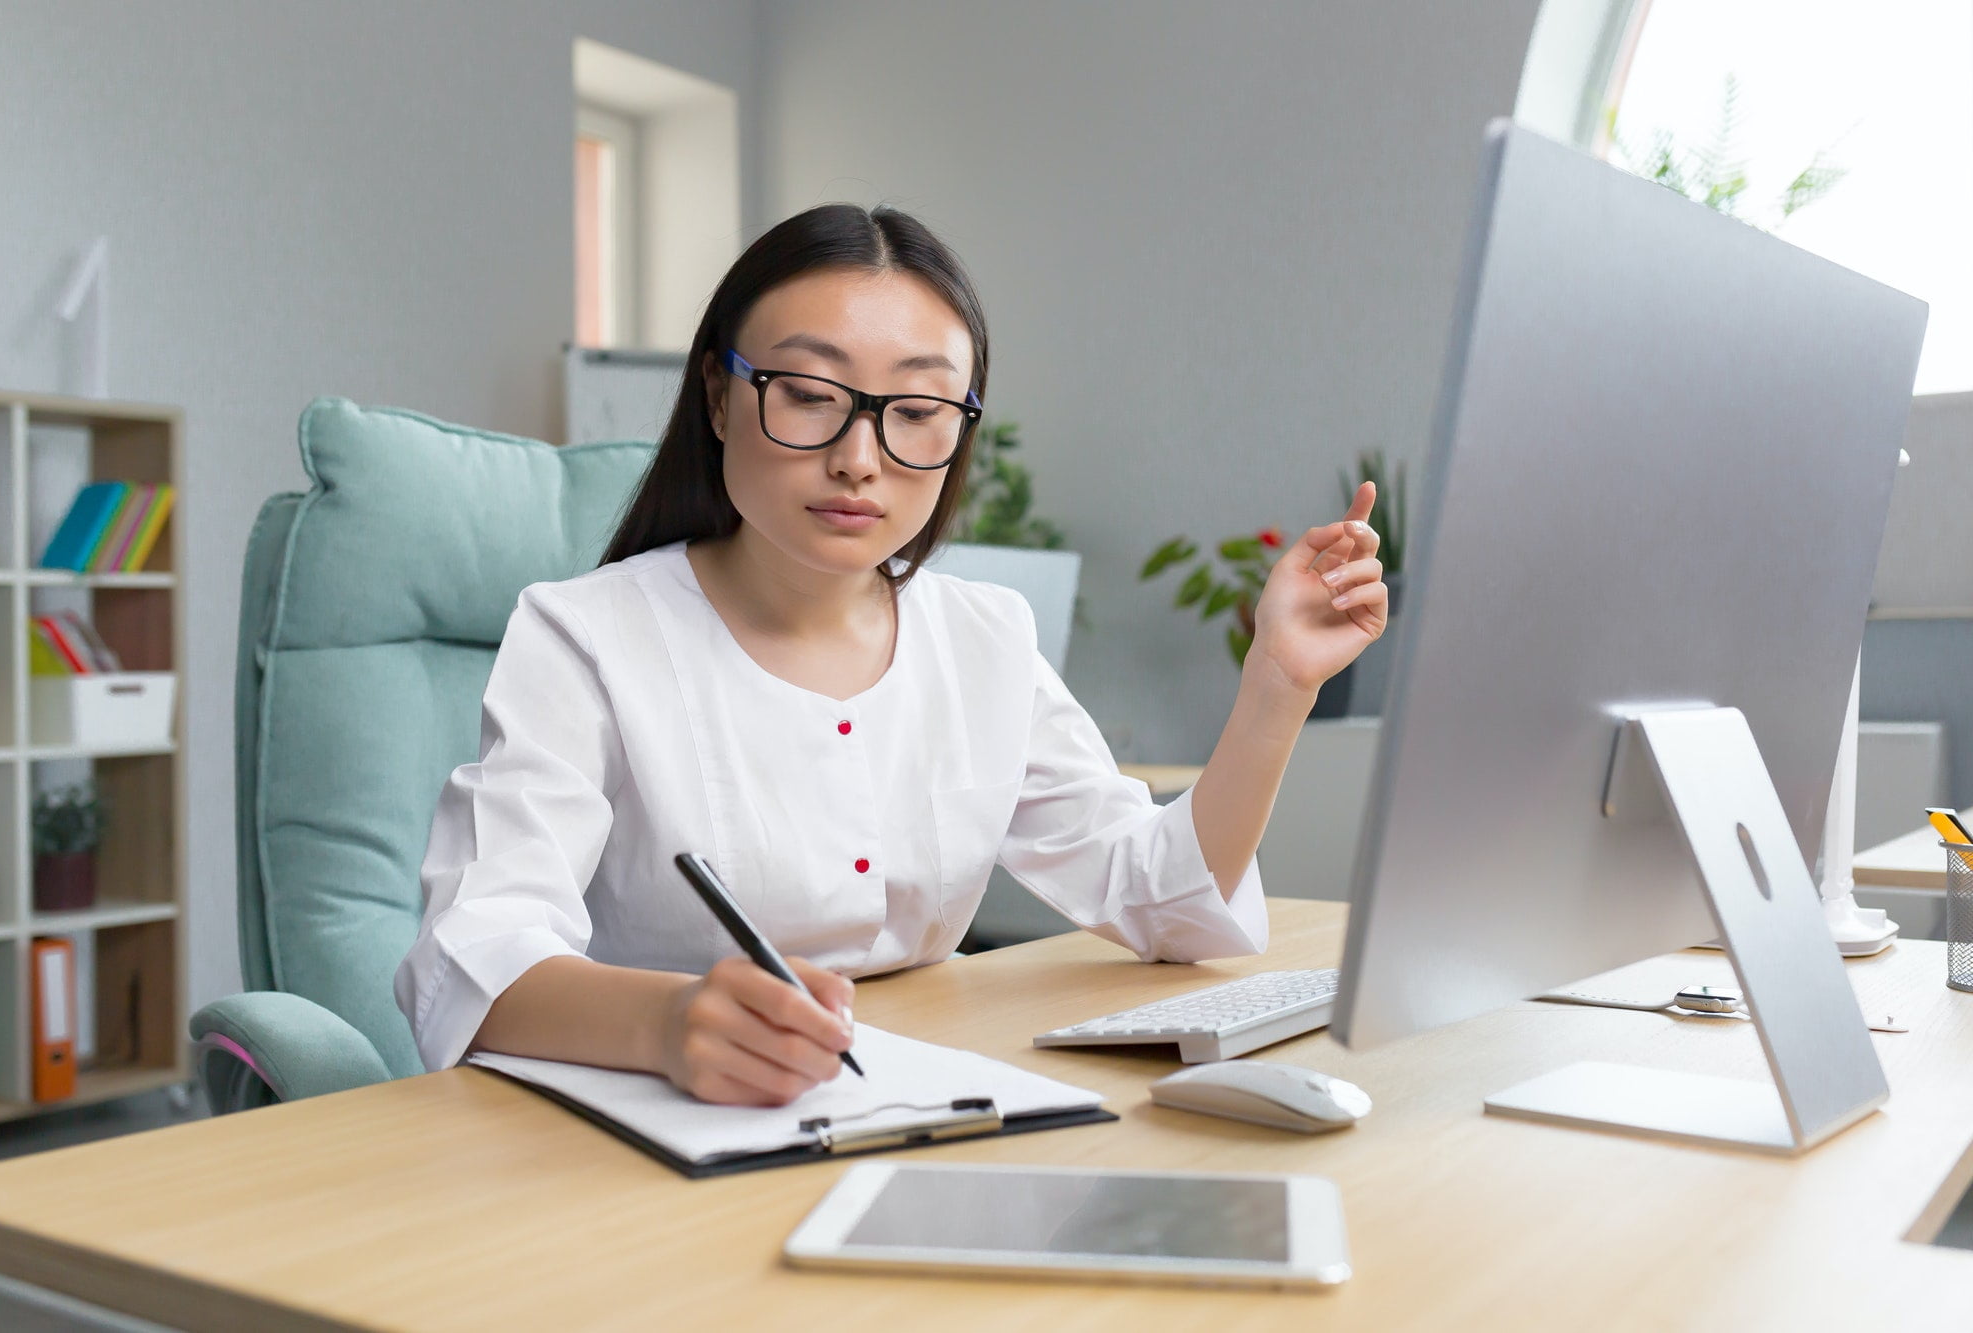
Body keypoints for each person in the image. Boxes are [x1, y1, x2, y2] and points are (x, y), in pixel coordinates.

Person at [393, 203, 1387, 1107]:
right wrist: (666, 1024)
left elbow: (1160, 900)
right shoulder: (586, 636)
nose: (859, 458)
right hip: (656, 1127)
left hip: (910, 1102)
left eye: (916, 412)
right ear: (718, 394)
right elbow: (474, 954)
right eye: (810, 393)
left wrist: (1276, 683)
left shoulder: (982, 637)